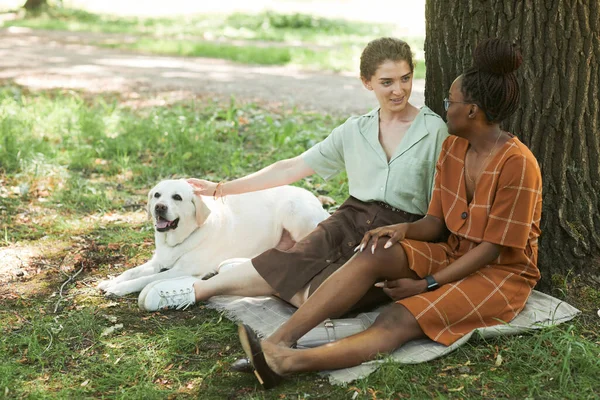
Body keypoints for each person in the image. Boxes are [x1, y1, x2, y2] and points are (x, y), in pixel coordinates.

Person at [233, 38, 543, 389]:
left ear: (472, 111)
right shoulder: (454, 148)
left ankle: (288, 363)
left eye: (450, 103)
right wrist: (401, 231)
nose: (445, 109)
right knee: (374, 251)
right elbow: (435, 222)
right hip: (455, 252)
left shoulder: (518, 164)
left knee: (398, 317)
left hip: (499, 274)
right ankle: (276, 341)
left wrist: (425, 284)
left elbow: (491, 250)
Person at [137, 37, 448, 316]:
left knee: (325, 297)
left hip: (396, 233)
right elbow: (290, 168)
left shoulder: (433, 130)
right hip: (350, 218)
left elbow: (443, 204)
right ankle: (194, 290)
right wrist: (221, 189)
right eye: (387, 82)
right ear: (367, 83)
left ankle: (253, 276)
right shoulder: (356, 130)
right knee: (297, 259)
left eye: (405, 79)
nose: (399, 90)